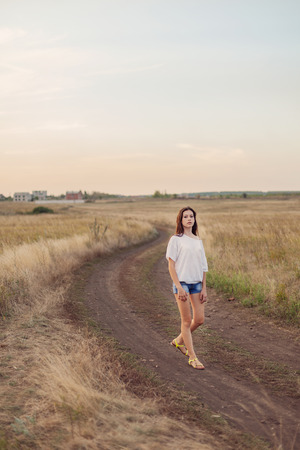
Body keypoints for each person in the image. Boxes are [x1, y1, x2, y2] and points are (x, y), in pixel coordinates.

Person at [166, 206, 208, 370]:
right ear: (181, 220)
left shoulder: (198, 241)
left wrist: (204, 288)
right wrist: (178, 286)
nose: (189, 219)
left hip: (197, 283)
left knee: (199, 320)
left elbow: (204, 267)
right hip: (182, 283)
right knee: (185, 320)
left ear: (194, 219)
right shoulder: (176, 239)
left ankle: (178, 341)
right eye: (186, 217)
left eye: (191, 216)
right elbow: (171, 265)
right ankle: (192, 357)